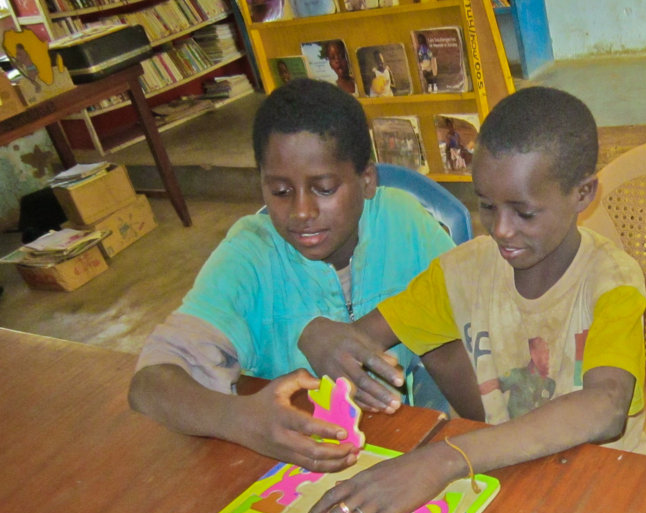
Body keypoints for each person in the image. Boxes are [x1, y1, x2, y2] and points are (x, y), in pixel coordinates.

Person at [299, 86, 646, 513]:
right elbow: (359, 342)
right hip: (509, 479)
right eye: (486, 206)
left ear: (582, 193)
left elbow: (606, 410)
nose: (501, 229)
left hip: (605, 486)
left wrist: (443, 460)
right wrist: (320, 335)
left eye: (524, 212)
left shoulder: (612, 281)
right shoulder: (462, 273)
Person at [128, 79, 460, 473]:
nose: (301, 212)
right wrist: (239, 418)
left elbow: (472, 294)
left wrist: (364, 331)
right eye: (281, 191)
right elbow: (149, 384)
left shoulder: (403, 222)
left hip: (402, 440)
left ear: (367, 181)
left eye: (323, 188)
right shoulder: (251, 254)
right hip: (298, 456)